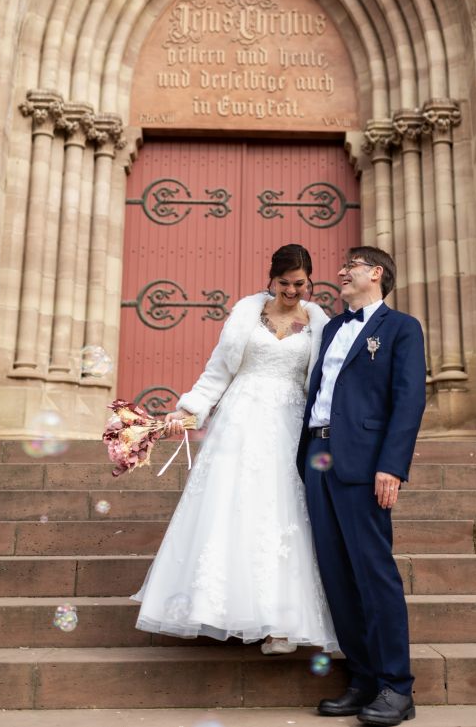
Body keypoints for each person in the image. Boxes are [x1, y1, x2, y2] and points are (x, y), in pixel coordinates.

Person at [132, 243, 337, 654]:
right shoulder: (246, 314)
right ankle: (219, 604)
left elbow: (325, 381)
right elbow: (219, 369)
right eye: (284, 283)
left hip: (288, 423)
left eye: (300, 283)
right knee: (231, 505)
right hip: (241, 418)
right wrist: (188, 410)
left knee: (282, 509)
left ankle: (282, 621)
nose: (293, 291)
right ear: (271, 279)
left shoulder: (319, 322)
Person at [297, 246, 426, 726]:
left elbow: (408, 401)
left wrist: (391, 466)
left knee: (373, 573)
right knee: (336, 573)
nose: (340, 272)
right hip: (317, 457)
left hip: (365, 463)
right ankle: (364, 679)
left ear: (376, 273)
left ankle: (398, 687)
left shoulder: (401, 328)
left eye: (349, 266)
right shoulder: (331, 328)